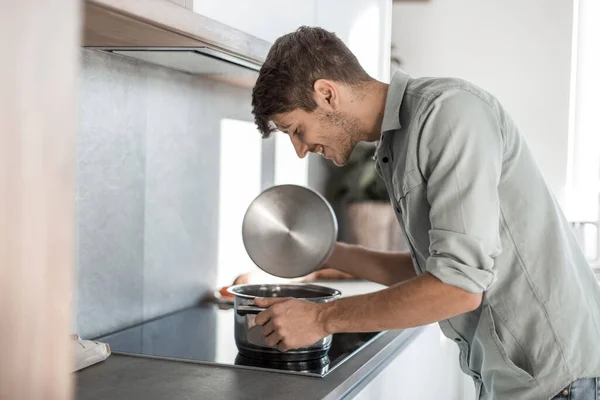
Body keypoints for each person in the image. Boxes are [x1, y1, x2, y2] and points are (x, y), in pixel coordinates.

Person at [250, 26, 600, 400]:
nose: (300, 149)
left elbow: (456, 288)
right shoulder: (399, 142)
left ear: (327, 93)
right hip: (524, 383)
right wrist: (325, 251)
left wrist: (321, 319)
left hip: (564, 383)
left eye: (296, 129)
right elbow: (432, 272)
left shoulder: (447, 113)